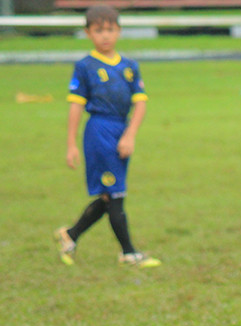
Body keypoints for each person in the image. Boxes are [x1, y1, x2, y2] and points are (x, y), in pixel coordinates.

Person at [55, 4, 160, 268]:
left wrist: (130, 135)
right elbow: (76, 106)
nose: (105, 35)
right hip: (98, 132)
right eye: (99, 30)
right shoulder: (85, 66)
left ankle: (71, 235)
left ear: (119, 32)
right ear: (88, 32)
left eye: (110, 30)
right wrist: (71, 144)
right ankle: (128, 252)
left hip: (120, 129)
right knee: (115, 194)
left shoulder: (129, 66)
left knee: (109, 194)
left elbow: (141, 103)